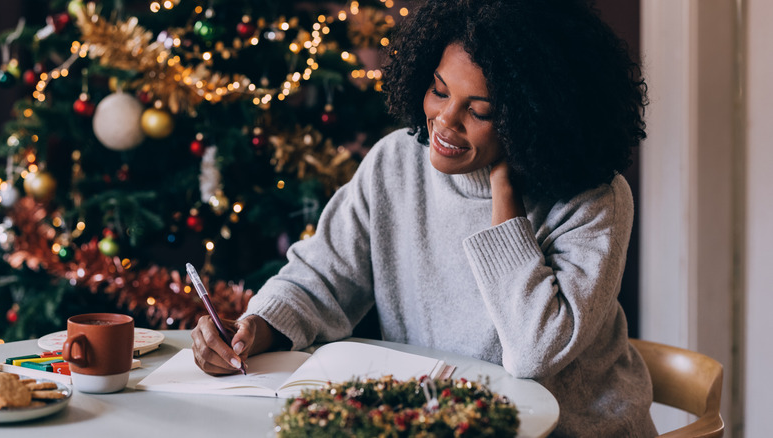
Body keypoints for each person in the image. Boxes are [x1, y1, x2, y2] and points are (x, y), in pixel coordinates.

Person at [192, 0, 657, 436]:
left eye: (480, 111)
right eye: (439, 90)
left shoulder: (594, 198)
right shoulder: (395, 162)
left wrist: (504, 191)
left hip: (573, 430)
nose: (444, 120)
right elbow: (319, 280)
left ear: (535, 119)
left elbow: (536, 353)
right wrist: (256, 327)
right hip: (442, 424)